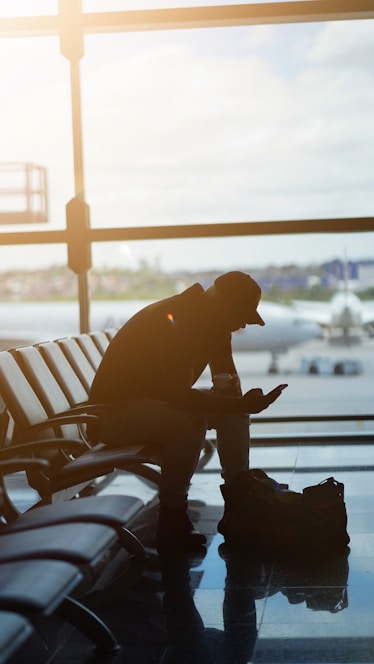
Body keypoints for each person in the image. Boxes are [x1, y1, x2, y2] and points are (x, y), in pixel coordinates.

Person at [89, 271, 286, 549]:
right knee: (188, 422)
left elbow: (226, 384)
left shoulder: (214, 324)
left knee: (233, 414)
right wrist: (239, 403)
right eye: (241, 314)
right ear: (222, 303)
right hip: (113, 415)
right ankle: (172, 519)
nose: (242, 324)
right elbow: (180, 397)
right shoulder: (177, 319)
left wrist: (241, 403)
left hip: (151, 407)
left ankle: (240, 504)